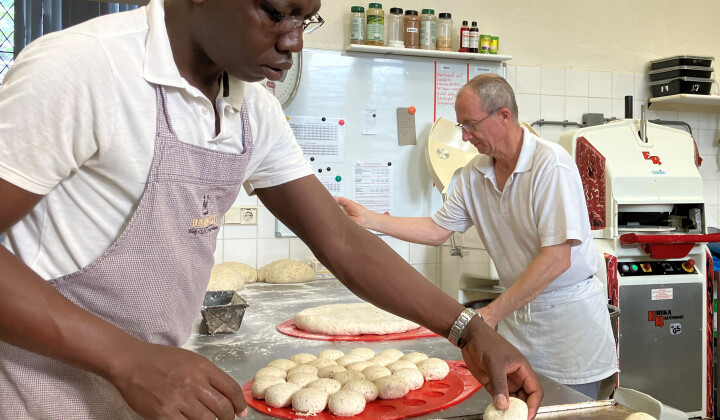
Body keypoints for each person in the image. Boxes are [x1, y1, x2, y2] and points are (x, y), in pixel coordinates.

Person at [0, 1, 543, 418]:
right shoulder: (83, 70)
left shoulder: (249, 106)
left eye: (308, 20)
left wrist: (469, 331)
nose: (294, 42)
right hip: (37, 393)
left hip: (153, 395)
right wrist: (127, 359)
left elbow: (342, 241)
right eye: (277, 12)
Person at [337, 74, 618, 398]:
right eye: (462, 127)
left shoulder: (549, 165)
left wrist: (491, 313)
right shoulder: (475, 174)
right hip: (517, 322)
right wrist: (370, 219)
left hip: (568, 330)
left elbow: (557, 259)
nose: (466, 136)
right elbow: (438, 229)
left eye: (470, 125)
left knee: (565, 411)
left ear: (503, 116)